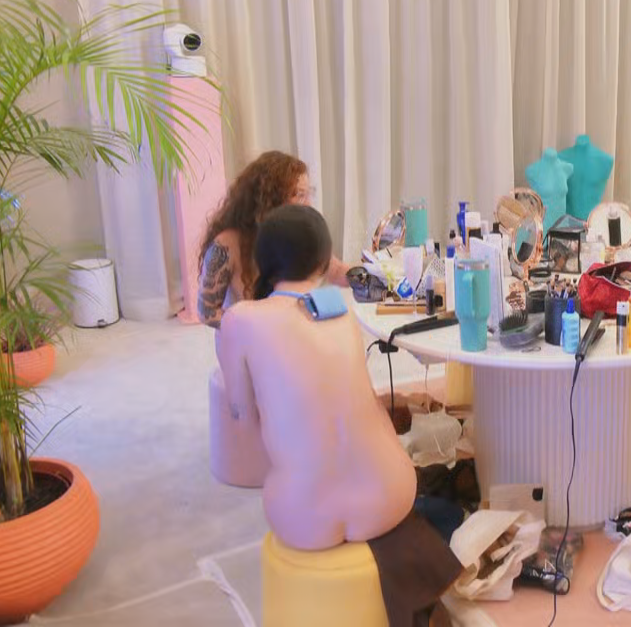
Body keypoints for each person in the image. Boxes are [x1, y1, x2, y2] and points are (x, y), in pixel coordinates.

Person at [217, 205, 461, 626]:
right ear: (322, 262)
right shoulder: (340, 312)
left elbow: (241, 420)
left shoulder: (240, 320)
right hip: (391, 496)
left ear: (262, 260)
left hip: (306, 519)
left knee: (281, 472)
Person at [197, 151, 350, 329]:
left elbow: (336, 271)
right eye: (300, 195)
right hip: (250, 335)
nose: (308, 205)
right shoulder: (226, 244)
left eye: (308, 194)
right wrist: (254, 327)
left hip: (291, 330)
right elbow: (206, 311)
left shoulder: (302, 234)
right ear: (271, 198)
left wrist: (371, 276)